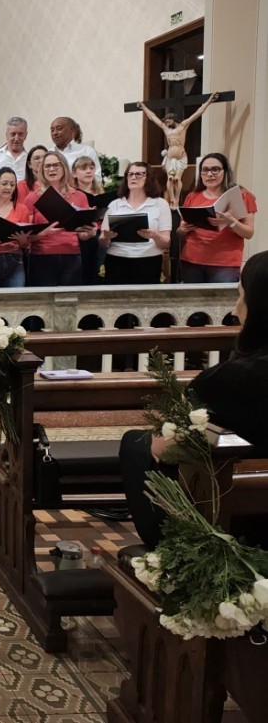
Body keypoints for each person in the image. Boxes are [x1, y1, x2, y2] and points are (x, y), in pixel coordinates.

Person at [120, 251, 268, 548]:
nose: (236, 308)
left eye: (241, 296)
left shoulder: (230, 379)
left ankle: (173, 546)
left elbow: (166, 446)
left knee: (138, 444)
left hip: (235, 514)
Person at [178, 152, 257, 283]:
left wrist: (231, 221)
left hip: (225, 263)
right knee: (192, 302)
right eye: (205, 170)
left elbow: (249, 233)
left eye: (215, 169)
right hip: (191, 260)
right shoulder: (192, 196)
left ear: (225, 171)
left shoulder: (242, 196)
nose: (209, 174)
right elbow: (180, 233)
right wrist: (183, 229)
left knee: (220, 302)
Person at [138, 93, 220, 207]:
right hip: (170, 159)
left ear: (172, 119)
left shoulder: (183, 126)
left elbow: (198, 113)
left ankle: (176, 199)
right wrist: (144, 108)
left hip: (181, 157)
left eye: (167, 120)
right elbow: (153, 118)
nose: (166, 123)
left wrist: (209, 101)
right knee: (170, 179)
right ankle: (172, 199)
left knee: (176, 179)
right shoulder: (166, 130)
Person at [25, 151, 94, 286]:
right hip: (41, 256)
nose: (52, 169)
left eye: (56, 165)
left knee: (69, 300)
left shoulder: (79, 196)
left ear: (64, 167)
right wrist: (43, 233)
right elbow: (26, 235)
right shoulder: (32, 198)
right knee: (44, 300)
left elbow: (82, 235)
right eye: (47, 166)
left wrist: (90, 232)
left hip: (71, 255)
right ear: (42, 170)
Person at [99, 161, 171, 285]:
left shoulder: (160, 204)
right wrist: (106, 237)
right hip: (117, 259)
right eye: (130, 174)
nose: (133, 177)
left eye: (139, 174)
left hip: (148, 260)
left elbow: (166, 243)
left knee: (145, 301)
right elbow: (102, 242)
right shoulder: (115, 204)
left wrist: (154, 235)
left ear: (149, 177)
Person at [70, 156, 105, 285]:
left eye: (91, 168)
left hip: (98, 235)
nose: (89, 171)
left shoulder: (100, 191)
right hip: (79, 238)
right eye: (83, 168)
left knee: (96, 273)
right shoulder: (72, 194)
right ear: (74, 173)